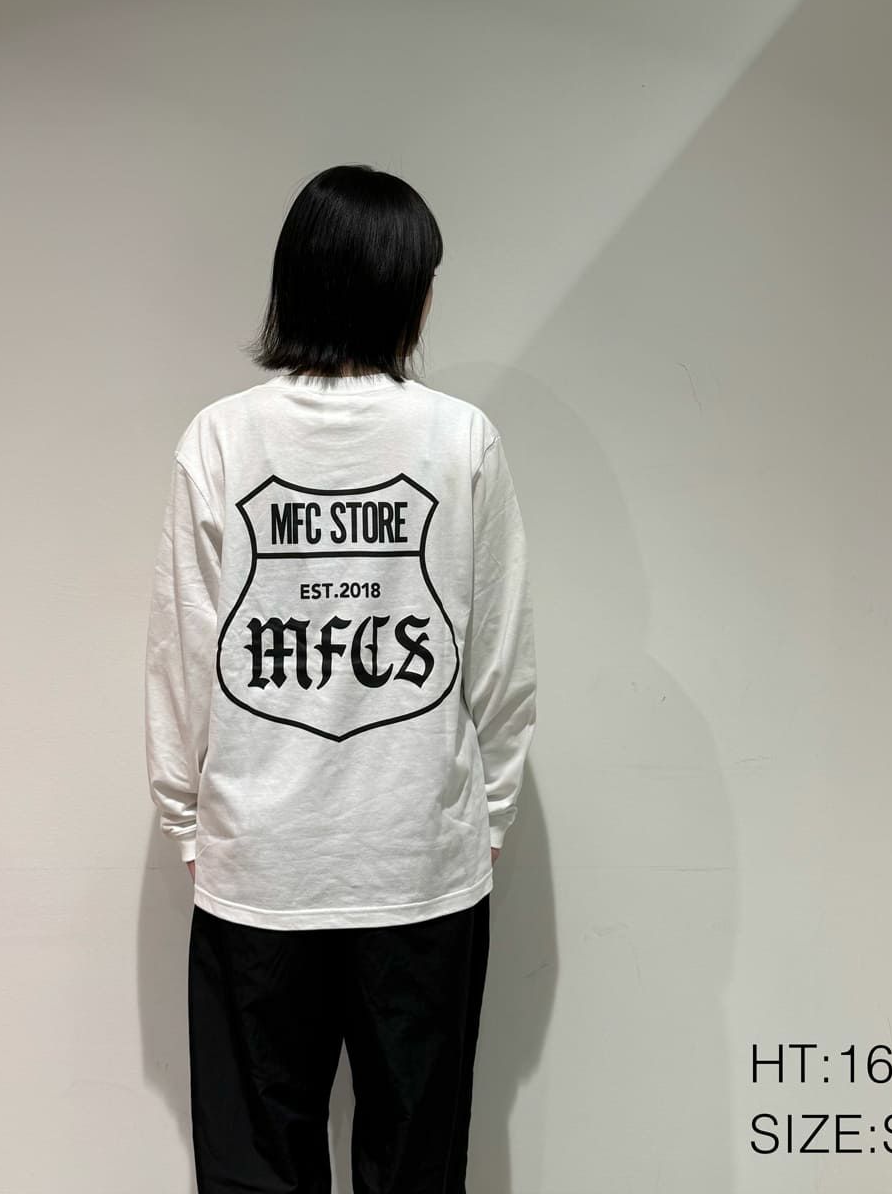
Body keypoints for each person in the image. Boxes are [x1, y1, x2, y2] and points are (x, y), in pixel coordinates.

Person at [143, 163, 538, 1193]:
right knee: (414, 1165)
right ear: (401, 288)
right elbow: (501, 666)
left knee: (256, 1167)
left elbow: (182, 656)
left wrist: (189, 822)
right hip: (416, 869)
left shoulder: (221, 439)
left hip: (262, 871)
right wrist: (481, 819)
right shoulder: (458, 440)